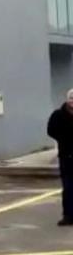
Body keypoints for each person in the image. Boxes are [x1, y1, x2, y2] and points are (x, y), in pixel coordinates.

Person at [47, 88, 73, 226]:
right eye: (71, 98)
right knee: (68, 187)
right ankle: (68, 215)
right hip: (67, 156)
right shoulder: (58, 115)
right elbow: (51, 130)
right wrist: (64, 139)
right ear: (67, 99)